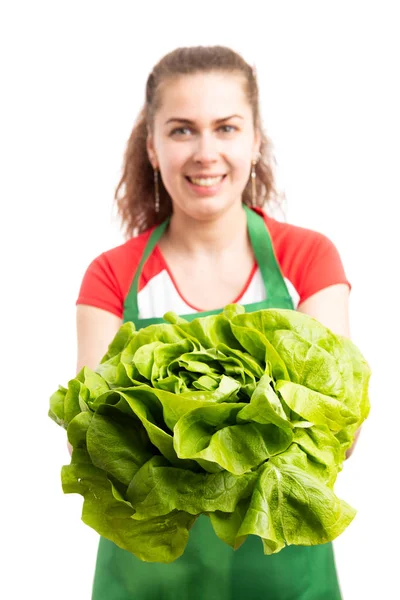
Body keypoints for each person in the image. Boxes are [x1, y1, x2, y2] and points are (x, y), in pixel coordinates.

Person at [76, 45, 354, 600]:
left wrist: (171, 446)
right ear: (152, 146)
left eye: (225, 127)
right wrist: (253, 438)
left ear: (255, 141)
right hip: (146, 580)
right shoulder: (113, 276)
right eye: (182, 130)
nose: (206, 152)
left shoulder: (308, 259)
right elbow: (94, 444)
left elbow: (337, 430)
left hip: (284, 578)